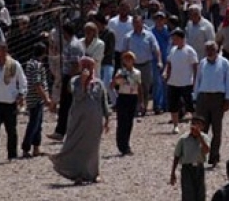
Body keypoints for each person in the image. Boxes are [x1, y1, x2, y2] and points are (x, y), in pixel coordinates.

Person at [50, 57, 111, 185]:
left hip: (94, 121)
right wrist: (83, 83)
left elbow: (104, 101)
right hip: (78, 120)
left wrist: (107, 119)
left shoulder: (98, 83)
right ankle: (77, 174)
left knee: (93, 148)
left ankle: (94, 173)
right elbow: (77, 95)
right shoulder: (74, 81)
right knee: (77, 146)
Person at [0, 42, 27, 164]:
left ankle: (12, 154)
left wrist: (21, 93)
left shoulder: (14, 64)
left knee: (11, 130)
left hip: (10, 101)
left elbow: (22, 81)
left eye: (0, 50)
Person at [193, 41, 229, 166]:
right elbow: (198, 80)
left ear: (217, 50)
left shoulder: (224, 63)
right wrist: (195, 98)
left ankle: (214, 156)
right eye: (207, 49)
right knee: (201, 128)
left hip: (218, 98)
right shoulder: (202, 63)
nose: (210, 51)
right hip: (203, 98)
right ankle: (201, 155)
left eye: (212, 49)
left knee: (217, 129)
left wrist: (228, 99)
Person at [121, 15, 163, 116]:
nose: (136, 24)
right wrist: (123, 66)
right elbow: (124, 52)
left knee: (145, 87)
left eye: (138, 22)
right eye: (134, 23)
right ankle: (135, 108)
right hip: (132, 66)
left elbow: (156, 49)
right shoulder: (128, 37)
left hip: (146, 64)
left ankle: (143, 107)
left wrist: (159, 61)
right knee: (133, 87)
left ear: (142, 23)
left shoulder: (149, 35)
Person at [22, 43, 53, 159]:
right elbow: (37, 84)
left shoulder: (30, 63)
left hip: (32, 97)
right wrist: (46, 98)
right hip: (36, 99)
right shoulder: (37, 65)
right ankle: (26, 148)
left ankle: (36, 147)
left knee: (38, 124)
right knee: (34, 124)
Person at [165, 28, 198, 134]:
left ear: (182, 39)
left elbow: (195, 66)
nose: (173, 41)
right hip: (173, 82)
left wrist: (195, 81)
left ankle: (195, 125)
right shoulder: (173, 50)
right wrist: (167, 75)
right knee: (173, 105)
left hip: (186, 82)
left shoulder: (190, 51)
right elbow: (169, 63)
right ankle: (175, 125)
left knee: (190, 105)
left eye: (175, 38)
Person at [170, 115, 211, 201]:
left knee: (200, 192)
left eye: (198, 124)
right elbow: (177, 156)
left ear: (203, 126)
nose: (195, 126)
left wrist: (199, 136)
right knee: (188, 193)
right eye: (193, 124)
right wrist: (173, 173)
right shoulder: (183, 139)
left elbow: (206, 150)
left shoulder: (205, 137)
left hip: (199, 167)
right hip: (187, 168)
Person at [113, 51, 143, 156]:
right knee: (122, 122)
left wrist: (141, 101)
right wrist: (118, 78)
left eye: (130, 59)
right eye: (126, 59)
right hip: (123, 97)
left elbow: (139, 86)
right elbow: (113, 84)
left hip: (132, 97)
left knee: (129, 122)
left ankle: (126, 144)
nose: (128, 61)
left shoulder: (137, 73)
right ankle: (122, 145)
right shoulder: (120, 71)